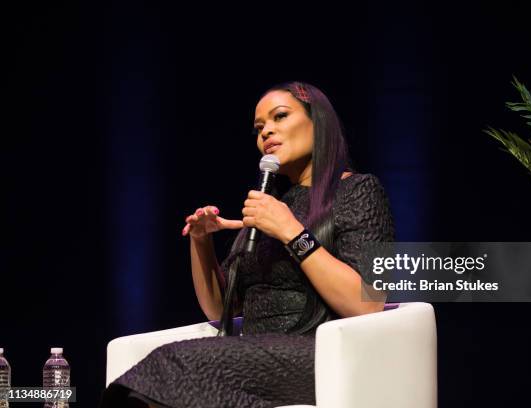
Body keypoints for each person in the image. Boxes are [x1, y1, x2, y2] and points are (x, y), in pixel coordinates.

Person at [99, 81, 395, 408]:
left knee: (169, 364)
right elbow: (221, 309)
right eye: (259, 128)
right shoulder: (271, 205)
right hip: (252, 352)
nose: (266, 132)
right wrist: (201, 243)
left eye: (279, 117)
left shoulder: (359, 190)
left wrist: (291, 231)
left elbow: (368, 303)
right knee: (135, 391)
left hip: (318, 353)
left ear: (318, 123)